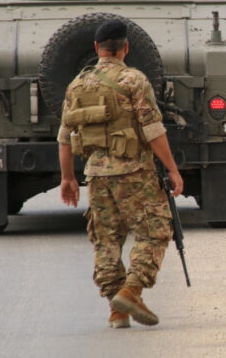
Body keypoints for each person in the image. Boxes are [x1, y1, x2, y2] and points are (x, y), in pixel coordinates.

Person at [57, 19, 183, 328]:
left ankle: (117, 311)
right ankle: (131, 290)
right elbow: (153, 130)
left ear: (98, 49)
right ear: (125, 48)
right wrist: (172, 169)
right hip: (134, 173)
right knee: (155, 230)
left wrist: (68, 178)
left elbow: (64, 136)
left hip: (96, 176)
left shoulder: (77, 85)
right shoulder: (134, 80)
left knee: (106, 240)